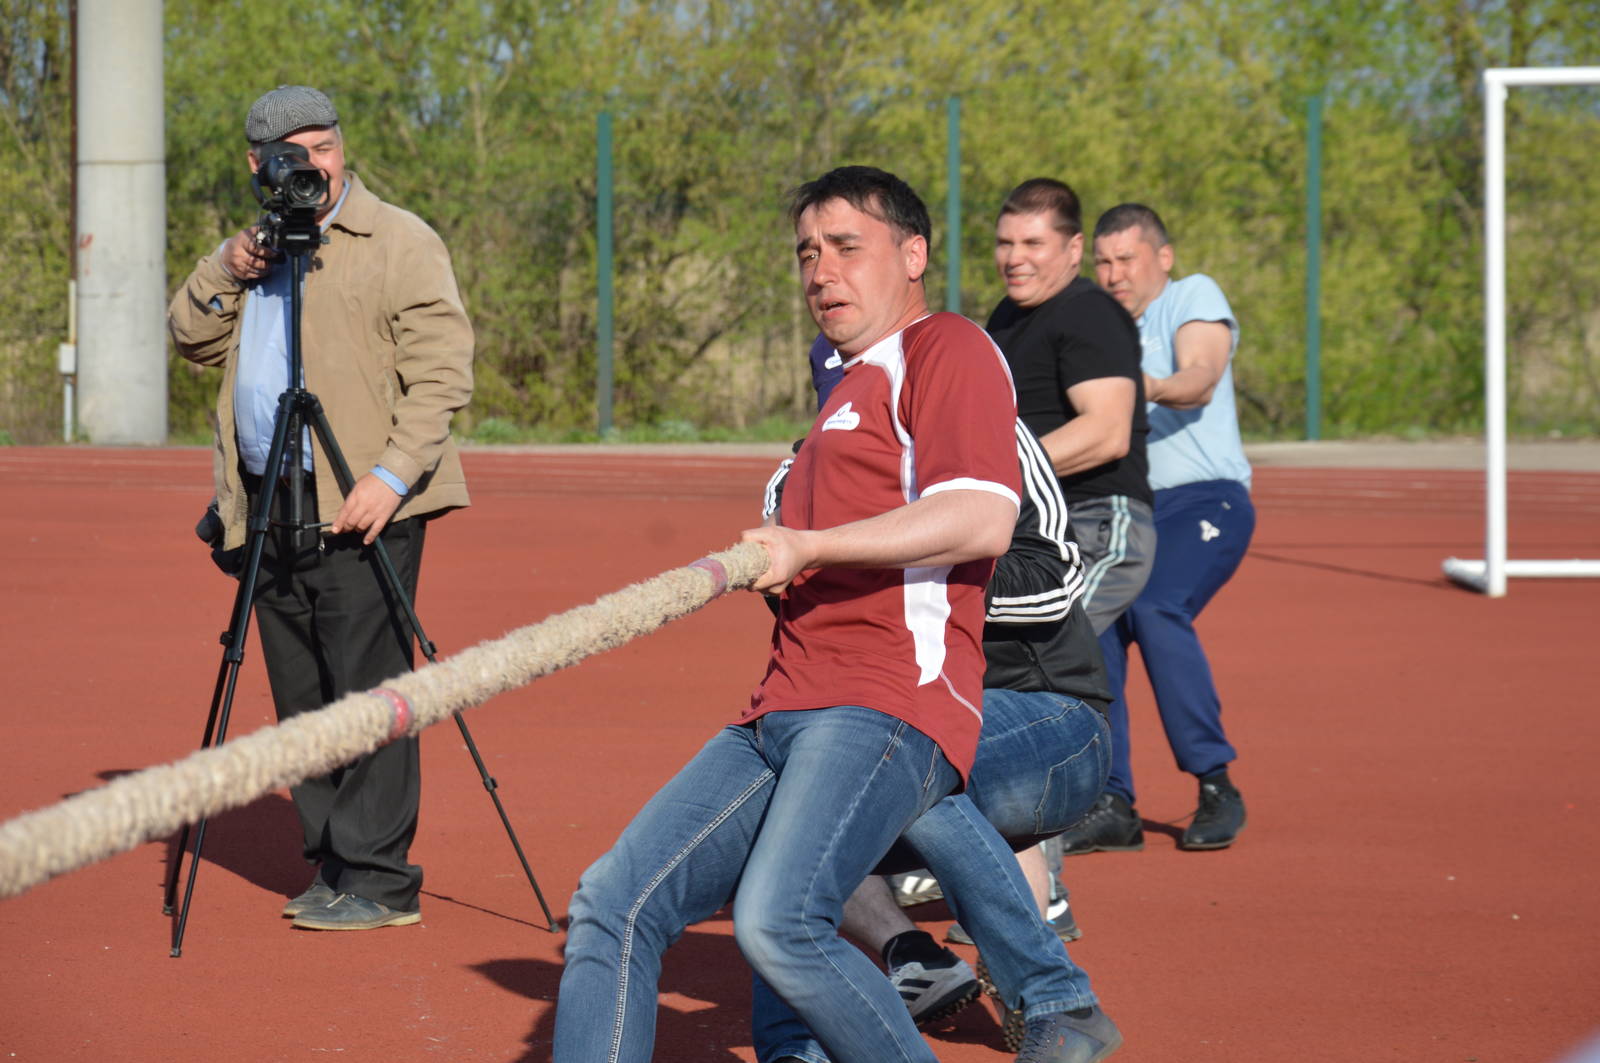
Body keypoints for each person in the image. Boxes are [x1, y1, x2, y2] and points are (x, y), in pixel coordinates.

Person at [553, 166, 1023, 1063]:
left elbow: (982, 516)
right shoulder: (841, 389)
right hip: (781, 709)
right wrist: (789, 555)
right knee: (612, 904)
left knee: (778, 920)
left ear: (913, 255)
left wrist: (810, 545)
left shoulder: (947, 347)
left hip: (886, 703)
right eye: (807, 253)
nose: (821, 271)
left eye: (846, 247)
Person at [168, 85, 474, 930]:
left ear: (343, 149)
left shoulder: (398, 239)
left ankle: (380, 877)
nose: (313, 166)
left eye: (324, 147)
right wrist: (227, 265)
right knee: (301, 688)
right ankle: (332, 863)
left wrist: (392, 475)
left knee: (367, 686)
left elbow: (443, 371)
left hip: (361, 497)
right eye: (291, 154)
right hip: (268, 497)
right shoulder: (258, 248)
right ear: (258, 164)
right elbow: (191, 336)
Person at [753, 420, 1123, 1061]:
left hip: (1049, 720)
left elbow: (1055, 583)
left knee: (900, 755)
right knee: (775, 800)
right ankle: (809, 1038)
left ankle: (1052, 994)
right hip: (898, 720)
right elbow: (805, 615)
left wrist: (901, 575)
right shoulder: (800, 473)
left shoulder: (994, 431)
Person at [1066, 202, 1254, 853]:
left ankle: (1215, 783)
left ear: (1163, 258)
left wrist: (1134, 384)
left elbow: (1200, 377)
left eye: (1127, 259)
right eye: (1103, 261)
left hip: (1206, 501)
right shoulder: (1094, 321)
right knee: (1096, 625)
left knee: (1152, 604)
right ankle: (1112, 800)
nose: (1114, 273)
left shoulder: (1190, 295)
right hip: (1131, 511)